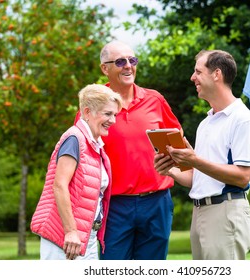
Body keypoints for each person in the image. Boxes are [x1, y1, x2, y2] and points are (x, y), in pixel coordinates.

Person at [74, 41, 182, 260]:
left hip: (157, 202)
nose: (128, 66)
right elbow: (80, 154)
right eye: (120, 61)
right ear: (105, 68)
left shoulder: (155, 100)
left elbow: (179, 143)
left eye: (132, 60)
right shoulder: (92, 105)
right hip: (114, 205)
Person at [154, 50, 250, 260]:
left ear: (216, 74)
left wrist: (194, 160)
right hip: (200, 214)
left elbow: (242, 177)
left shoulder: (243, 120)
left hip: (226, 212)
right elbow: (197, 179)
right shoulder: (206, 123)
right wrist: (171, 169)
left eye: (198, 72)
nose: (192, 78)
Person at [30, 84, 122, 260]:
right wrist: (71, 232)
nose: (113, 120)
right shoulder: (74, 139)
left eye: (115, 115)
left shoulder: (95, 145)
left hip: (87, 237)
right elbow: (59, 185)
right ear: (87, 112)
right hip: (65, 239)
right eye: (107, 114)